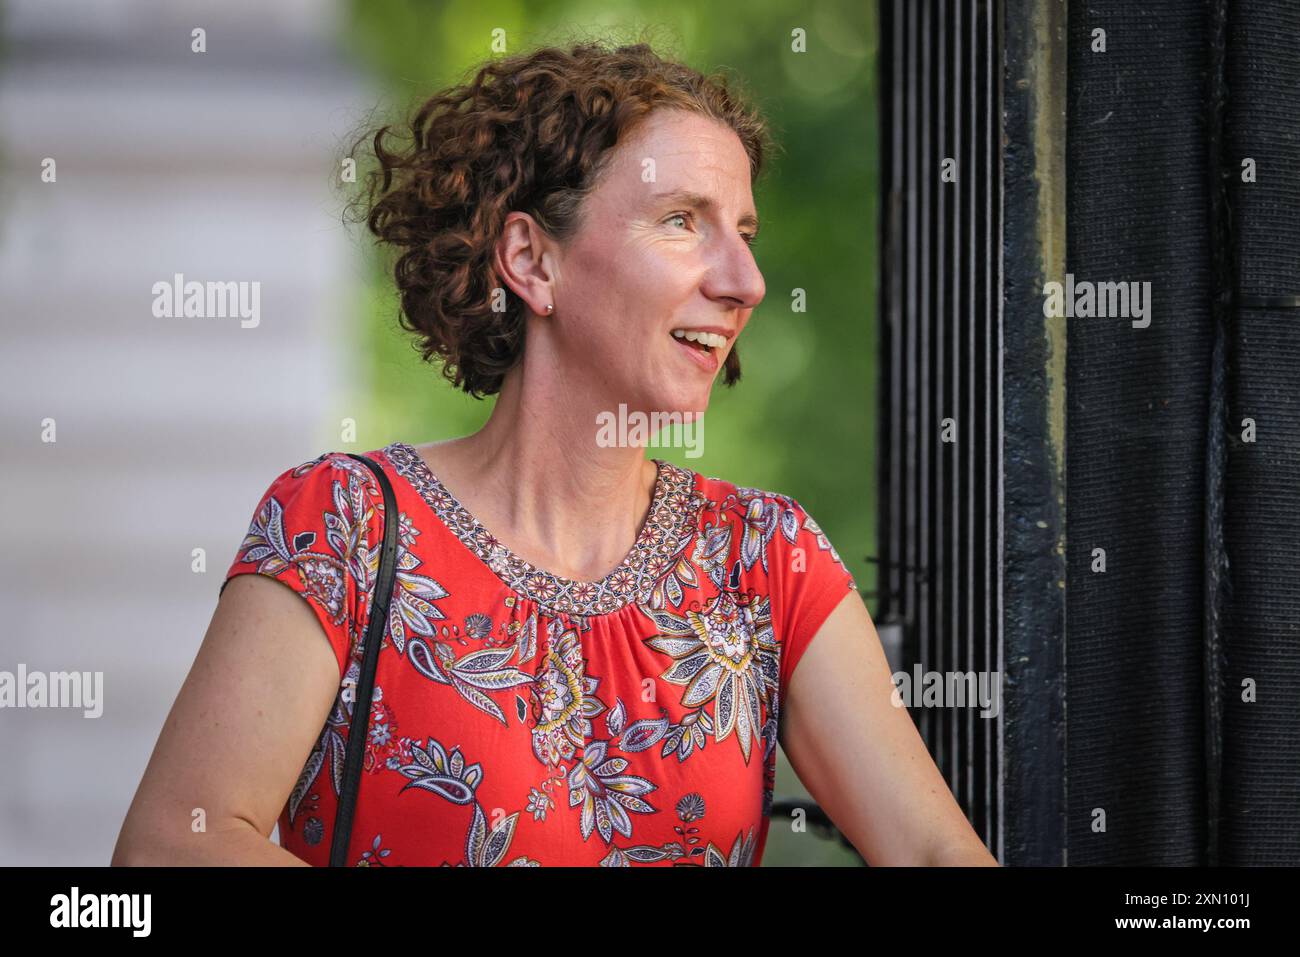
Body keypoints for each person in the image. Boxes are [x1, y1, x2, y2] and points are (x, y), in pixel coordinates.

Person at [112, 40, 996, 867]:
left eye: (747, 233)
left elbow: (932, 850)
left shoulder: (767, 559)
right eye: (684, 221)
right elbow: (170, 847)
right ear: (533, 261)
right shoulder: (346, 524)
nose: (746, 282)